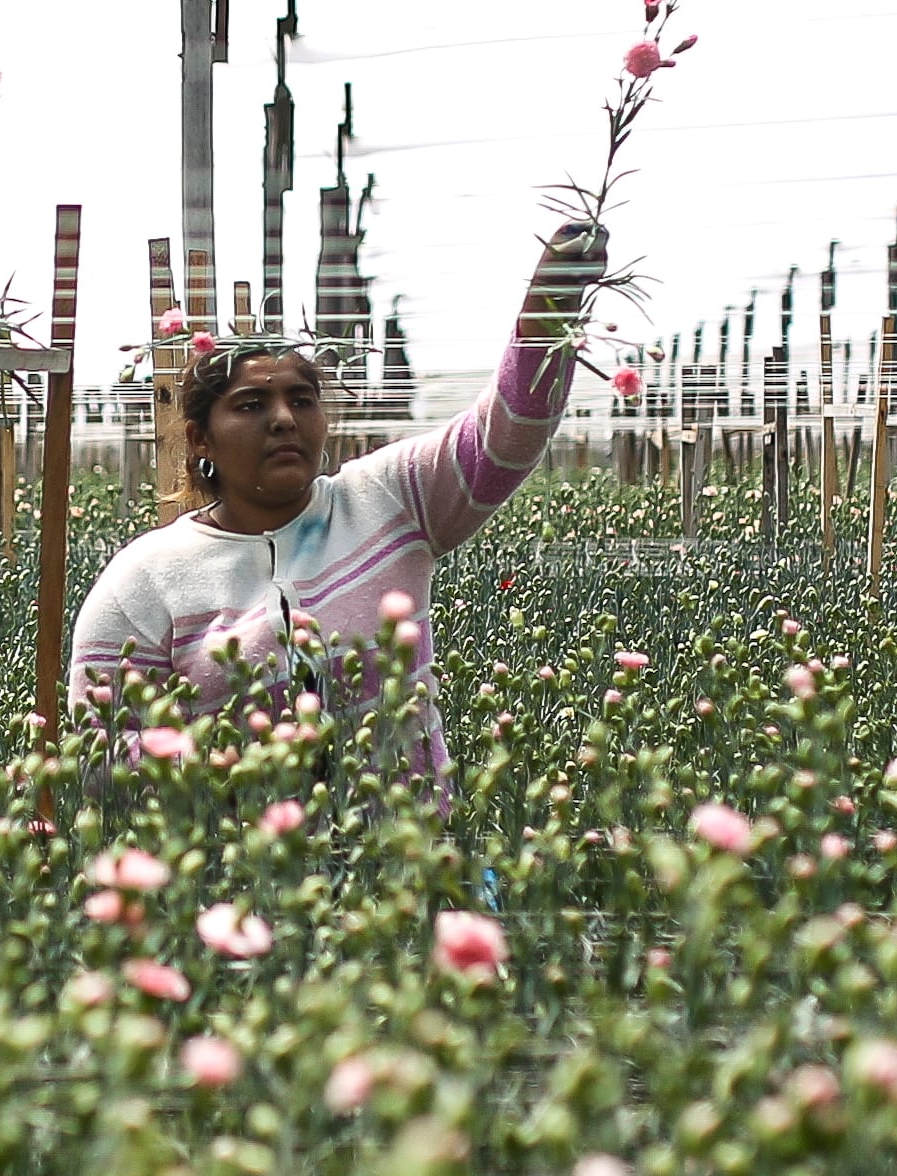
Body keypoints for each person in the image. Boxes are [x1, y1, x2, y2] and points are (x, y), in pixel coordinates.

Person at [67, 220, 608, 786]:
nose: (284, 419)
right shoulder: (147, 578)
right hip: (239, 867)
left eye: (302, 400)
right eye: (252, 405)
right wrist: (229, 759)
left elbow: (502, 438)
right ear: (200, 438)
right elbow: (96, 754)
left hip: (410, 860)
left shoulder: (387, 497)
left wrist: (550, 308)